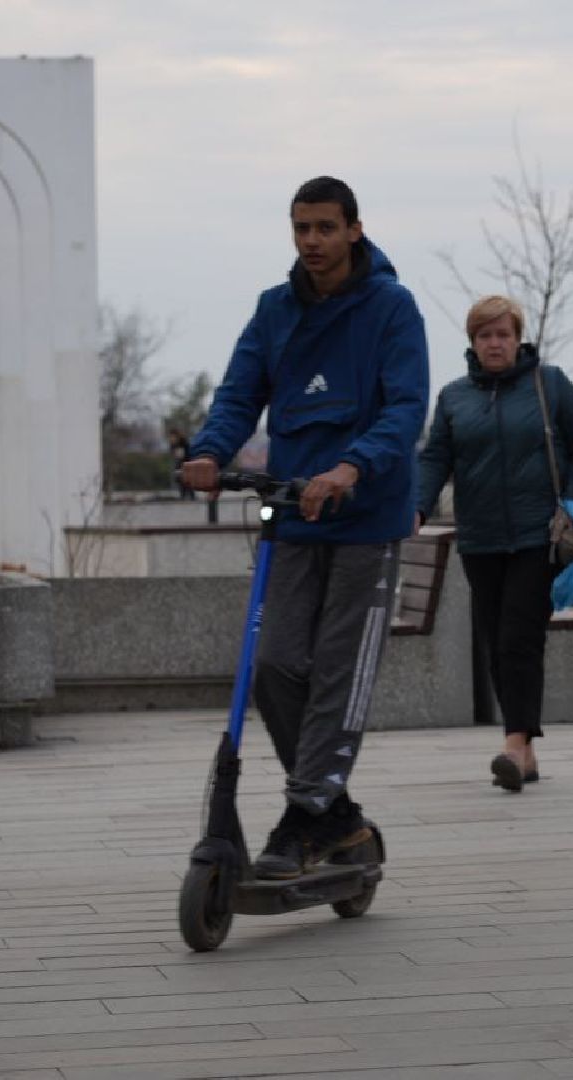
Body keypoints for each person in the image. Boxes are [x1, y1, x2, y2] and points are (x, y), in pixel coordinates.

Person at [180, 176, 428, 880]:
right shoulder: (274, 311)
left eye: (324, 227)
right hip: (293, 516)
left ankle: (302, 817)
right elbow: (238, 394)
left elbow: (405, 408)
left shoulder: (391, 308)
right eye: (300, 228)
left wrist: (351, 468)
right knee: (274, 668)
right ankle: (338, 818)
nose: (311, 241)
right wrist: (206, 451)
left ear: (354, 229)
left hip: (364, 519)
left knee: (337, 676)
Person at [415, 295, 573, 792]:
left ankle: (514, 744)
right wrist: (416, 506)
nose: (494, 343)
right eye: (484, 335)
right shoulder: (454, 398)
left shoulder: (549, 385)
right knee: (498, 640)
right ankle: (526, 751)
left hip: (538, 534)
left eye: (502, 334)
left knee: (519, 636)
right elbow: (436, 458)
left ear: (517, 338)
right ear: (472, 342)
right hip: (479, 538)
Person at [168, 429, 194, 499]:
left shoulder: (183, 442)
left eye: (173, 437)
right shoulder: (173, 445)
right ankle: (183, 495)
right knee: (180, 479)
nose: (171, 438)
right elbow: (174, 454)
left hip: (187, 462)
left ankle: (191, 495)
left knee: (188, 480)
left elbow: (187, 453)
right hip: (179, 463)